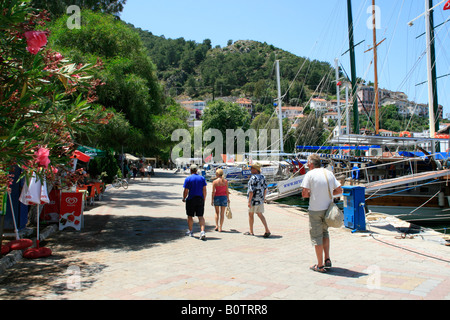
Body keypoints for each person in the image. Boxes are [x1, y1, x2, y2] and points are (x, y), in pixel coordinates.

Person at [301, 154, 343, 273]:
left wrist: (314, 194)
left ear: (311, 163)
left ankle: (319, 265)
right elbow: (339, 190)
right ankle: (327, 259)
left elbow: (304, 194)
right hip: (328, 209)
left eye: (308, 163)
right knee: (325, 233)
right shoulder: (328, 173)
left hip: (315, 209)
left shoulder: (310, 174)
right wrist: (326, 193)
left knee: (316, 236)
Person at [182, 164, 207, 240]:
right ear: (196, 170)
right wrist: (204, 198)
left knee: (190, 216)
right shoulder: (202, 178)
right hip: (200, 199)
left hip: (191, 199)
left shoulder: (188, 179)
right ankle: (202, 231)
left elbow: (186, 190)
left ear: (190, 170)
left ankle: (190, 231)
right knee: (200, 216)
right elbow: (204, 190)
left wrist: (184, 197)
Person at [246, 163, 271, 238]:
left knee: (251, 214)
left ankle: (251, 231)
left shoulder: (253, 178)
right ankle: (267, 230)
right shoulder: (263, 177)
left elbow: (251, 191)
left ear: (255, 170)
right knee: (260, 214)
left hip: (253, 200)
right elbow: (265, 188)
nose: (250, 170)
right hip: (260, 199)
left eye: (252, 168)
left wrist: (249, 201)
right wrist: (263, 198)